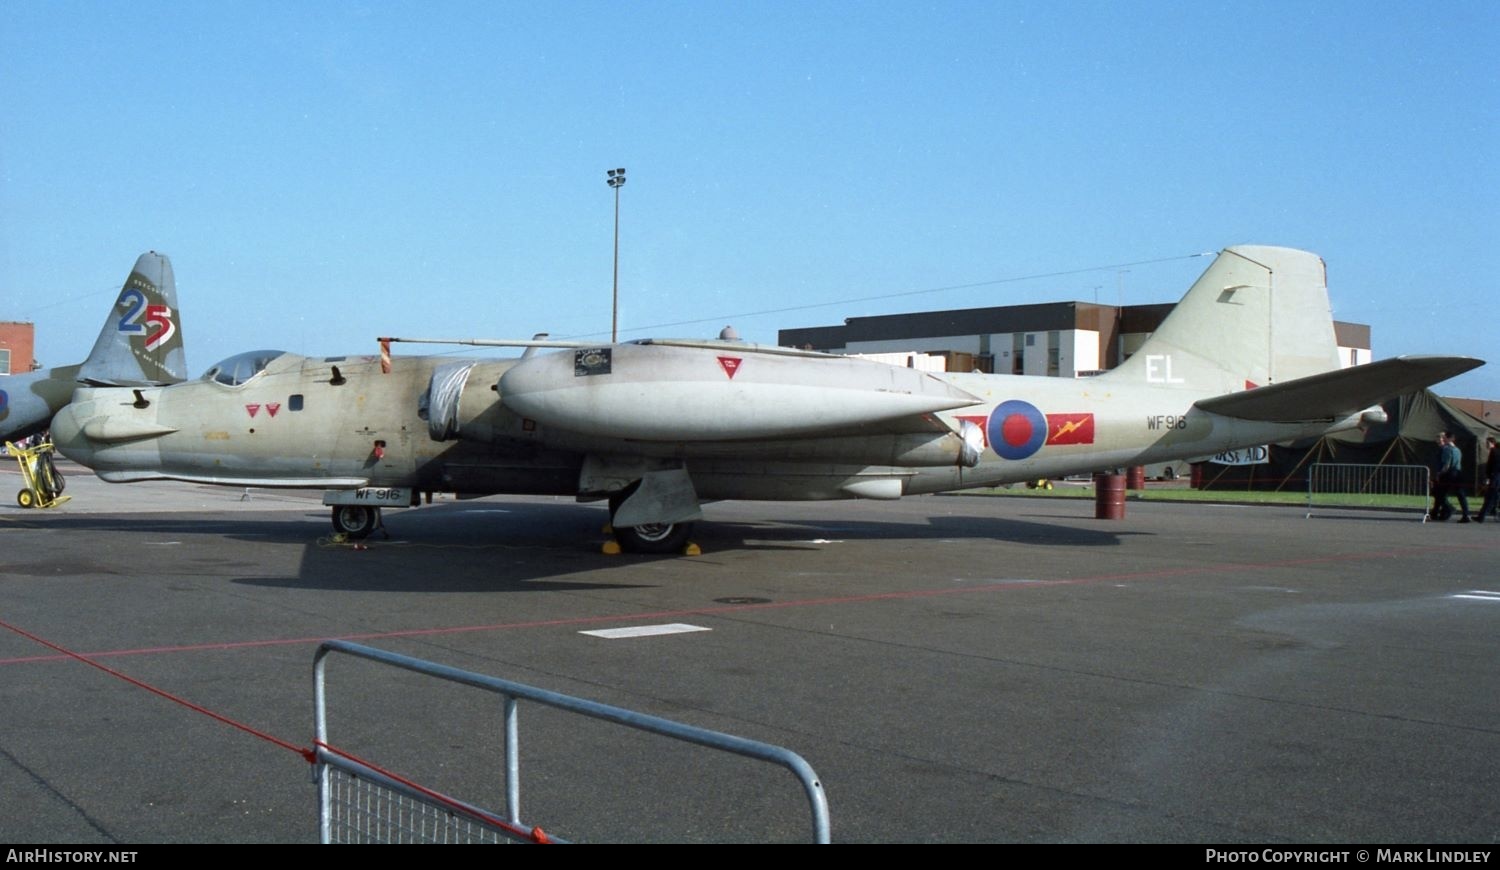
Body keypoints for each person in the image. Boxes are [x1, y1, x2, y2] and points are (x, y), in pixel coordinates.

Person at [1431, 431, 1472, 523]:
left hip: (1449, 474)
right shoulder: (1457, 449)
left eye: (1444, 437)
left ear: (1449, 438)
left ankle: (1448, 509)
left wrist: (1439, 474)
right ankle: (1465, 514)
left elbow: (1447, 465)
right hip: (1458, 473)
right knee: (1461, 495)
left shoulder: (1447, 449)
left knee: (1440, 494)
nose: (1443, 439)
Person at [1478, 435, 1500, 523]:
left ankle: (1481, 516)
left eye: (1487, 443)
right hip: (1496, 478)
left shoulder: (1494, 452)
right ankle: (1485, 514)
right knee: (1493, 497)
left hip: (1495, 478)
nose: (1486, 445)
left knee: (1489, 498)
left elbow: (1490, 466)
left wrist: (1488, 477)